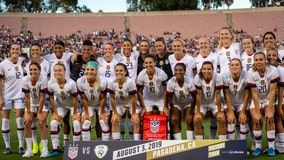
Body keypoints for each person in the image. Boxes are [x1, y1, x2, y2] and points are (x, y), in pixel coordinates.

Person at [246, 52, 280, 156]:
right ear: (254, 61)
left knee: (270, 118)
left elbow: (273, 91)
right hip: (256, 100)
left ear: (265, 60)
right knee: (257, 120)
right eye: (256, 60)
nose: (258, 62)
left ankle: (271, 147)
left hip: (268, 98)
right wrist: (257, 110)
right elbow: (254, 93)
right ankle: (258, 147)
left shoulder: (273, 71)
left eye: (261, 59)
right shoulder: (251, 73)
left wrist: (269, 108)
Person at [44, 40, 73, 149]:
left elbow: (77, 54)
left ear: (64, 49)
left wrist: (76, 54)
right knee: (56, 118)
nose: (57, 50)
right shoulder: (49, 57)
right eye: (56, 48)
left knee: (66, 120)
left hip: (65, 91)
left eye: (60, 48)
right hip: (54, 91)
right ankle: (57, 145)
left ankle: (66, 143)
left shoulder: (68, 55)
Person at [47, 63, 79, 157]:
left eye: (60, 70)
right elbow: (51, 99)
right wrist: (56, 114)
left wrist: (75, 113)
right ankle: (55, 149)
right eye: (55, 70)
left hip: (73, 106)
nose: (58, 72)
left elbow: (76, 99)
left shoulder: (71, 83)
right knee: (53, 123)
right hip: (62, 105)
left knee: (76, 123)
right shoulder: (51, 83)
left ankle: (75, 147)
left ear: (65, 72)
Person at [24, 43, 50, 154]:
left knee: (41, 121)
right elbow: (27, 97)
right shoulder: (25, 80)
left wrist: (39, 112)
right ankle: (29, 149)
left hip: (43, 102)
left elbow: (43, 96)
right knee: (27, 122)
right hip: (32, 102)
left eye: (35, 70)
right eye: (31, 70)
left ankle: (45, 149)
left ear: (39, 71)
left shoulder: (43, 79)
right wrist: (29, 111)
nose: (33, 72)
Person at [0, 43, 25, 154]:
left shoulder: (22, 61)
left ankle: (21, 146)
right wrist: (0, 97)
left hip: (20, 95)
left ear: (20, 51)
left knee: (19, 120)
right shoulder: (3, 64)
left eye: (17, 49)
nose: (15, 51)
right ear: (10, 50)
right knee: (5, 120)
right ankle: (8, 147)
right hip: (6, 95)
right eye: (13, 49)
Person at [136, 54, 170, 138]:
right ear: (144, 64)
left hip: (161, 97)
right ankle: (147, 139)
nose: (148, 65)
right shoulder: (141, 75)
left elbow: (166, 91)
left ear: (155, 63)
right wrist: (143, 107)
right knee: (145, 115)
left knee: (165, 115)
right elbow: (139, 92)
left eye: (150, 62)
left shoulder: (162, 74)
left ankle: (166, 140)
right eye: (146, 63)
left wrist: (165, 106)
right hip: (148, 97)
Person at [77, 61, 110, 141]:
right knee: (86, 123)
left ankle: (106, 145)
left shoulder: (102, 81)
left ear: (96, 71)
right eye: (87, 69)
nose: (89, 71)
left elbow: (103, 98)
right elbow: (83, 98)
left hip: (101, 104)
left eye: (92, 70)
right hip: (89, 104)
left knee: (103, 122)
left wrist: (102, 113)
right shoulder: (80, 81)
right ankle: (86, 146)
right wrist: (86, 113)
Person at [193, 61, 226, 140]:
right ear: (201, 70)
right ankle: (200, 146)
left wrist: (220, 111)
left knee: (221, 119)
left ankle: (222, 145)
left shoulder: (217, 77)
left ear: (212, 69)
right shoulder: (198, 77)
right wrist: (197, 112)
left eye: (209, 69)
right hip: (202, 104)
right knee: (197, 120)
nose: (206, 71)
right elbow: (198, 95)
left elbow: (218, 94)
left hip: (214, 103)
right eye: (204, 69)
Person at [114, 39, 139, 140]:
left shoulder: (136, 55)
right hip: (121, 87)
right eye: (124, 45)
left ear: (132, 46)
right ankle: (123, 139)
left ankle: (132, 139)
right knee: (122, 115)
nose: (127, 47)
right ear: (122, 47)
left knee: (131, 114)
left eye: (128, 45)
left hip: (132, 87)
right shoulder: (117, 56)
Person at [108, 63, 140, 140]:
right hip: (120, 104)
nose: (118, 72)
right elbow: (111, 98)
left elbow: (133, 98)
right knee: (114, 120)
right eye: (117, 70)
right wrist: (115, 113)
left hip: (132, 103)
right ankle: (117, 144)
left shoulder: (130, 82)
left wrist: (134, 113)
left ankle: (135, 143)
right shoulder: (111, 81)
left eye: (121, 70)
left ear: (125, 72)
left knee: (136, 121)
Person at [222, 59, 250, 140]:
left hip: (242, 102)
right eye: (232, 65)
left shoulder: (247, 75)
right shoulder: (224, 76)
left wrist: (243, 111)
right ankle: (231, 146)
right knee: (230, 122)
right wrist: (230, 112)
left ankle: (242, 147)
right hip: (229, 103)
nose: (234, 66)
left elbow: (247, 95)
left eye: (237, 65)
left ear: (241, 67)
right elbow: (226, 95)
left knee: (243, 121)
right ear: (229, 67)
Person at [167, 63, 196, 140]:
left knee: (189, 120)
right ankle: (178, 143)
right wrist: (173, 112)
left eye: (180, 70)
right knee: (174, 120)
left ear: (184, 71)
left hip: (188, 102)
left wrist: (190, 112)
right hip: (176, 103)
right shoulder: (170, 82)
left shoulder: (190, 81)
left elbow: (194, 97)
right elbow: (169, 98)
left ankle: (190, 143)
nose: (178, 72)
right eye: (176, 70)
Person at [266, 48, 284, 153]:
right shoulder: (268, 68)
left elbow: (281, 90)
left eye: (274, 55)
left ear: (277, 57)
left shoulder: (281, 70)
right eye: (269, 55)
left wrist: (279, 105)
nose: (271, 57)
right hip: (273, 98)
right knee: (274, 120)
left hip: (281, 98)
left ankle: (281, 146)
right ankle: (278, 145)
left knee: (278, 119)